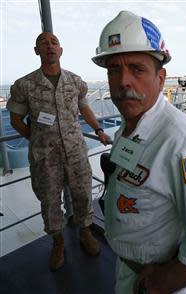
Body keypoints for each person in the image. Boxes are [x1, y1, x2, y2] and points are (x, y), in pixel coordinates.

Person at [92, 11, 186, 293]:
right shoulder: (127, 128)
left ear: (161, 78)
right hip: (129, 266)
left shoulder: (184, 144)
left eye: (137, 69)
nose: (123, 81)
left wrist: (156, 285)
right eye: (113, 70)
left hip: (163, 281)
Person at [7, 32, 112, 271]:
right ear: (37, 51)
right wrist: (36, 139)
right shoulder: (25, 85)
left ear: (61, 50)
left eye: (54, 42)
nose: (49, 46)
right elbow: (15, 119)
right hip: (45, 157)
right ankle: (58, 241)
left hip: (75, 151)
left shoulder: (75, 82)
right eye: (43, 43)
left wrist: (98, 130)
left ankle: (85, 232)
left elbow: (84, 108)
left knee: (83, 193)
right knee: (50, 201)